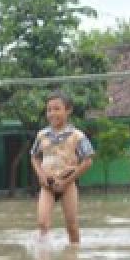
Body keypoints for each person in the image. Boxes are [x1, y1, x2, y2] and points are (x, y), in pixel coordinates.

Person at [30, 91, 94, 244]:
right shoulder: (42, 135)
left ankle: (73, 257)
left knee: (71, 225)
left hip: (68, 184)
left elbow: (88, 161)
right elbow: (34, 156)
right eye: (49, 110)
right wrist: (40, 175)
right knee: (42, 223)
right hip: (47, 185)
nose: (52, 113)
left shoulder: (77, 135)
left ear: (68, 110)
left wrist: (67, 181)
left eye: (57, 109)